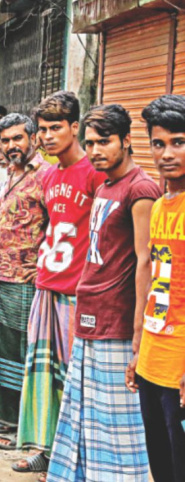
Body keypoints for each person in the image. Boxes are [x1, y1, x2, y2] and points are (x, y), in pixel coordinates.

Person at [47, 104, 157, 481]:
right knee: (85, 415)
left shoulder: (141, 188)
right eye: (90, 142)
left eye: (105, 141)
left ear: (127, 141)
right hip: (89, 315)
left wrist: (139, 335)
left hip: (118, 324)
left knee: (116, 427)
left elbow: (146, 263)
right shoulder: (105, 183)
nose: (95, 150)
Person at [15, 91, 107, 474]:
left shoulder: (97, 174)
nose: (47, 136)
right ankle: (48, 448)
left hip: (76, 294)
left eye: (56, 128)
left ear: (75, 127)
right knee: (43, 376)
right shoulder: (48, 175)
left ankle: (76, 457)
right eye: (42, 129)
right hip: (47, 287)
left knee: (74, 379)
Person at [0, 116, 50, 442]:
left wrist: (43, 267)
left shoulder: (45, 176)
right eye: (6, 140)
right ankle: (3, 416)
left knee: (18, 351)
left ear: (33, 137)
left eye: (17, 138)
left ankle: (19, 422)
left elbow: (58, 226)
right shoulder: (10, 173)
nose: (11, 146)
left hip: (23, 279)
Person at [130, 95, 185, 482]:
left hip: (180, 367)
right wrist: (137, 350)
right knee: (161, 466)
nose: (167, 153)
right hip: (153, 360)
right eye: (158, 143)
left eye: (179, 142)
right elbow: (152, 281)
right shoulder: (160, 205)